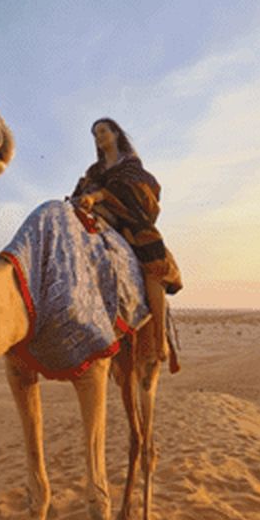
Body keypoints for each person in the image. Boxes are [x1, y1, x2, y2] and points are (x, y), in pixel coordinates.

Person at [71, 118, 182, 361]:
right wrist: (81, 198)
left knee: (153, 261)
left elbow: (139, 192)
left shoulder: (131, 165)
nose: (98, 137)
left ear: (115, 133)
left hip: (129, 221)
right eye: (94, 134)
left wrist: (100, 196)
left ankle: (159, 337)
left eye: (102, 131)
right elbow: (82, 191)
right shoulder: (95, 171)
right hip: (99, 219)